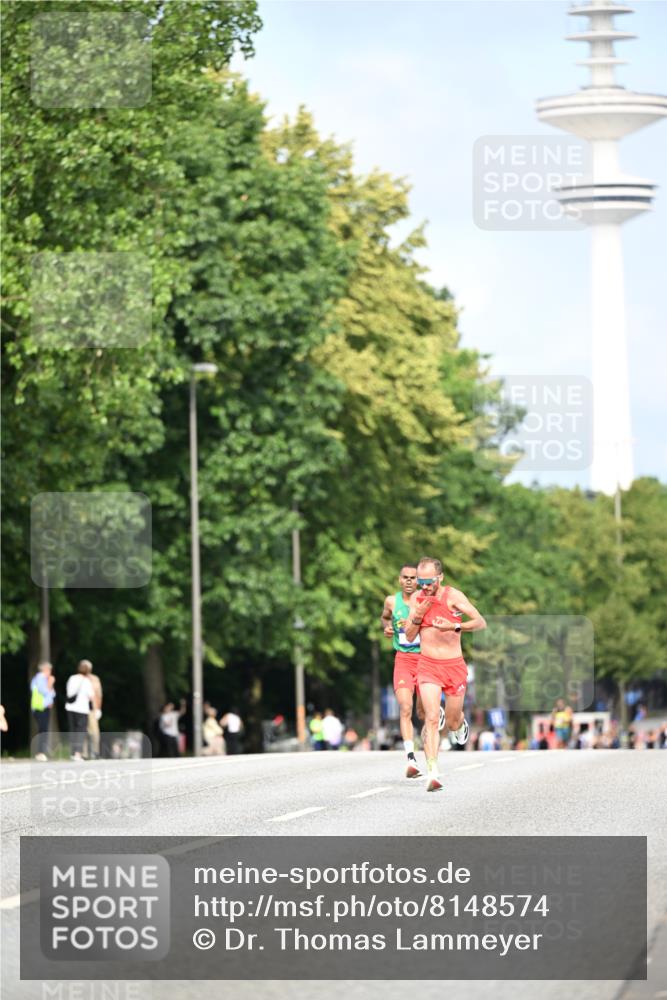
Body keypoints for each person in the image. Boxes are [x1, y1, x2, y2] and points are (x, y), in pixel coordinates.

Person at [403, 556, 486, 792]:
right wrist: (418, 614)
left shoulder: (453, 596)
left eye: (429, 581)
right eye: (421, 582)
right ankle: (433, 772)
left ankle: (460, 724)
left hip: (454, 666)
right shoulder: (417, 599)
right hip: (428, 665)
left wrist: (453, 626)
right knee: (430, 718)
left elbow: (480, 622)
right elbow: (409, 636)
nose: (425, 586)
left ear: (440, 577)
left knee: (450, 721)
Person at [381, 564, 426, 778]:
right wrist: (386, 628)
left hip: (425, 660)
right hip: (403, 660)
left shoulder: (425, 601)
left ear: (418, 581)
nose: (409, 581)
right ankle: (411, 758)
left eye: (413, 577)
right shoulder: (392, 601)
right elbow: (385, 617)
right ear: (400, 580)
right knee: (405, 707)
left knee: (421, 712)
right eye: (405, 577)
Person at [65, 660, 96, 761]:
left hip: (70, 707)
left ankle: (72, 752)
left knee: (73, 730)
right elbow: (91, 696)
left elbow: (69, 693)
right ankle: (78, 753)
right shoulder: (86, 681)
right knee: (80, 731)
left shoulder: (71, 678)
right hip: (82, 709)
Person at [30, 661, 56, 761]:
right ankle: (40, 752)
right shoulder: (40, 677)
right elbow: (44, 691)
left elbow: (52, 694)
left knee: (43, 729)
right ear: (45, 669)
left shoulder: (41, 678)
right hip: (40, 707)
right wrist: (50, 683)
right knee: (43, 730)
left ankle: (41, 752)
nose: (50, 672)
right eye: (49, 670)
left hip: (42, 707)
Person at [80, 660, 103, 759]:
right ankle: (83, 753)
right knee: (82, 730)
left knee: (94, 731)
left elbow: (99, 695)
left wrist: (98, 708)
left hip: (91, 709)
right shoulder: (78, 679)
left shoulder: (94, 679)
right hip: (80, 708)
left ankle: (95, 752)